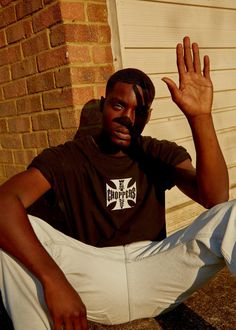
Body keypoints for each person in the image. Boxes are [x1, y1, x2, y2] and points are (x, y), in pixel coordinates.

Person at [0, 36, 235, 330]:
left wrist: (200, 117)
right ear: (102, 106)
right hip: (93, 275)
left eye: (138, 111)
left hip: (156, 269)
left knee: (234, 213)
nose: (128, 118)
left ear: (148, 117)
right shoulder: (68, 157)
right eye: (118, 106)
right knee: (12, 236)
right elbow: (3, 202)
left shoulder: (156, 152)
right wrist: (53, 279)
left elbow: (215, 200)